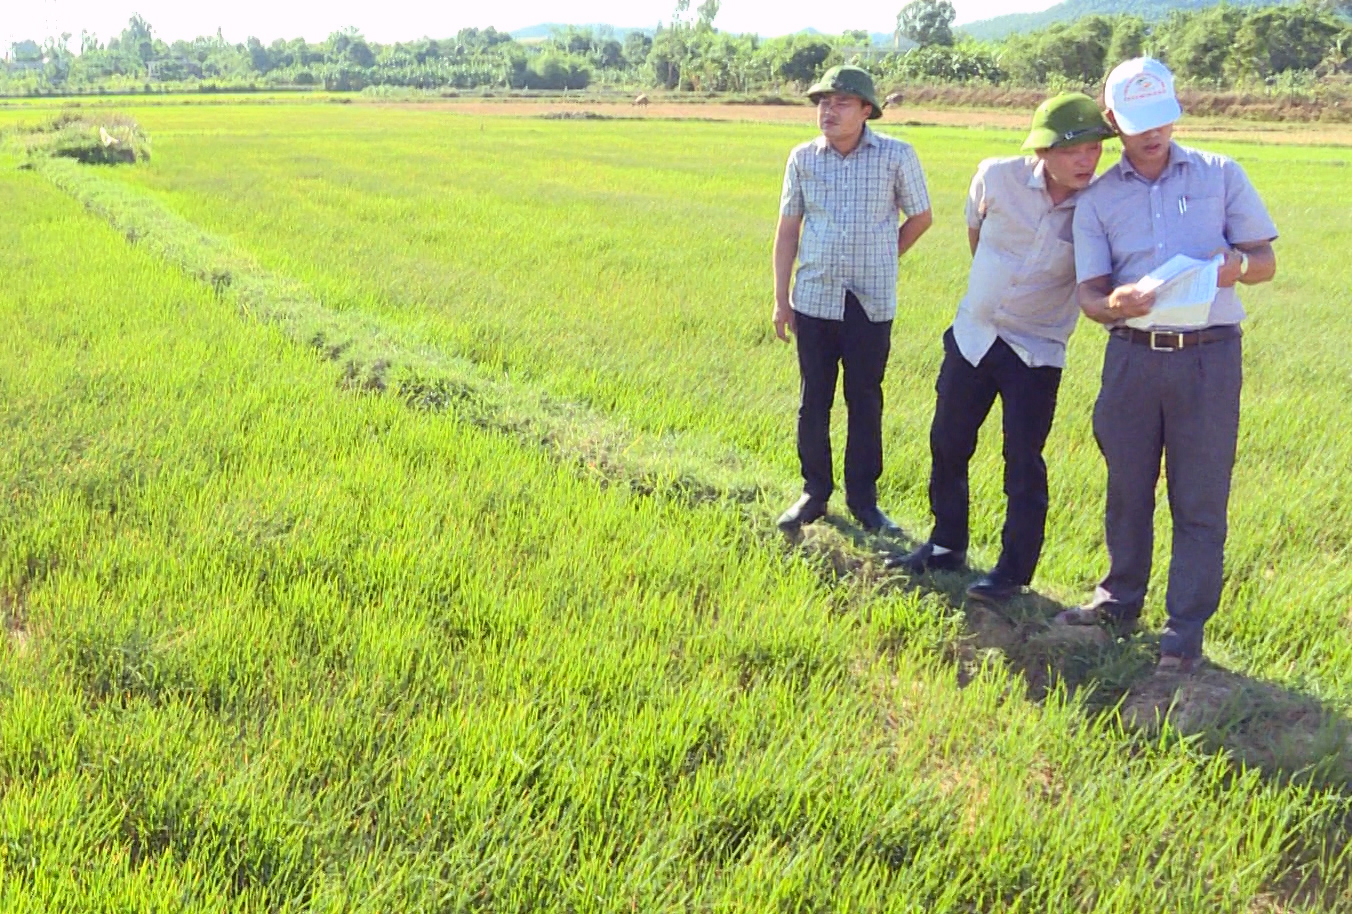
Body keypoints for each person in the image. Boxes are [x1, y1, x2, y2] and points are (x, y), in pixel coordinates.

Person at [1053, 58, 1278, 673]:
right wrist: (1114, 305)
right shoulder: (1097, 201)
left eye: (1161, 120)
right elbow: (1090, 296)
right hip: (1131, 359)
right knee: (1126, 490)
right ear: (1112, 122)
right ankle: (1119, 600)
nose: (1152, 134)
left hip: (1209, 360)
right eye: (1135, 123)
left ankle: (1182, 636)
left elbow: (1265, 261)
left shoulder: (1220, 175)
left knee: (1200, 498)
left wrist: (1236, 267)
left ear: (1175, 112)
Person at [887, 94, 1114, 604]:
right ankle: (946, 544)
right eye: (1073, 148)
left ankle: (1012, 573)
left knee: (1023, 461)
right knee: (947, 442)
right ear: (1042, 149)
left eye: (1095, 148)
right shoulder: (996, 176)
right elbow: (977, 234)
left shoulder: (1101, 204)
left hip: (1036, 352)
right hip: (974, 334)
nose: (1087, 160)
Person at [773, 65, 933, 535]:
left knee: (865, 400)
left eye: (842, 101)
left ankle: (865, 501)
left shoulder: (896, 157)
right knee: (813, 400)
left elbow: (921, 217)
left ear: (867, 110)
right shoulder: (803, 158)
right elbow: (787, 230)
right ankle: (814, 492)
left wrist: (887, 253)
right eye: (824, 101)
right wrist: (781, 299)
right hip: (815, 298)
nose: (829, 109)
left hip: (870, 302)